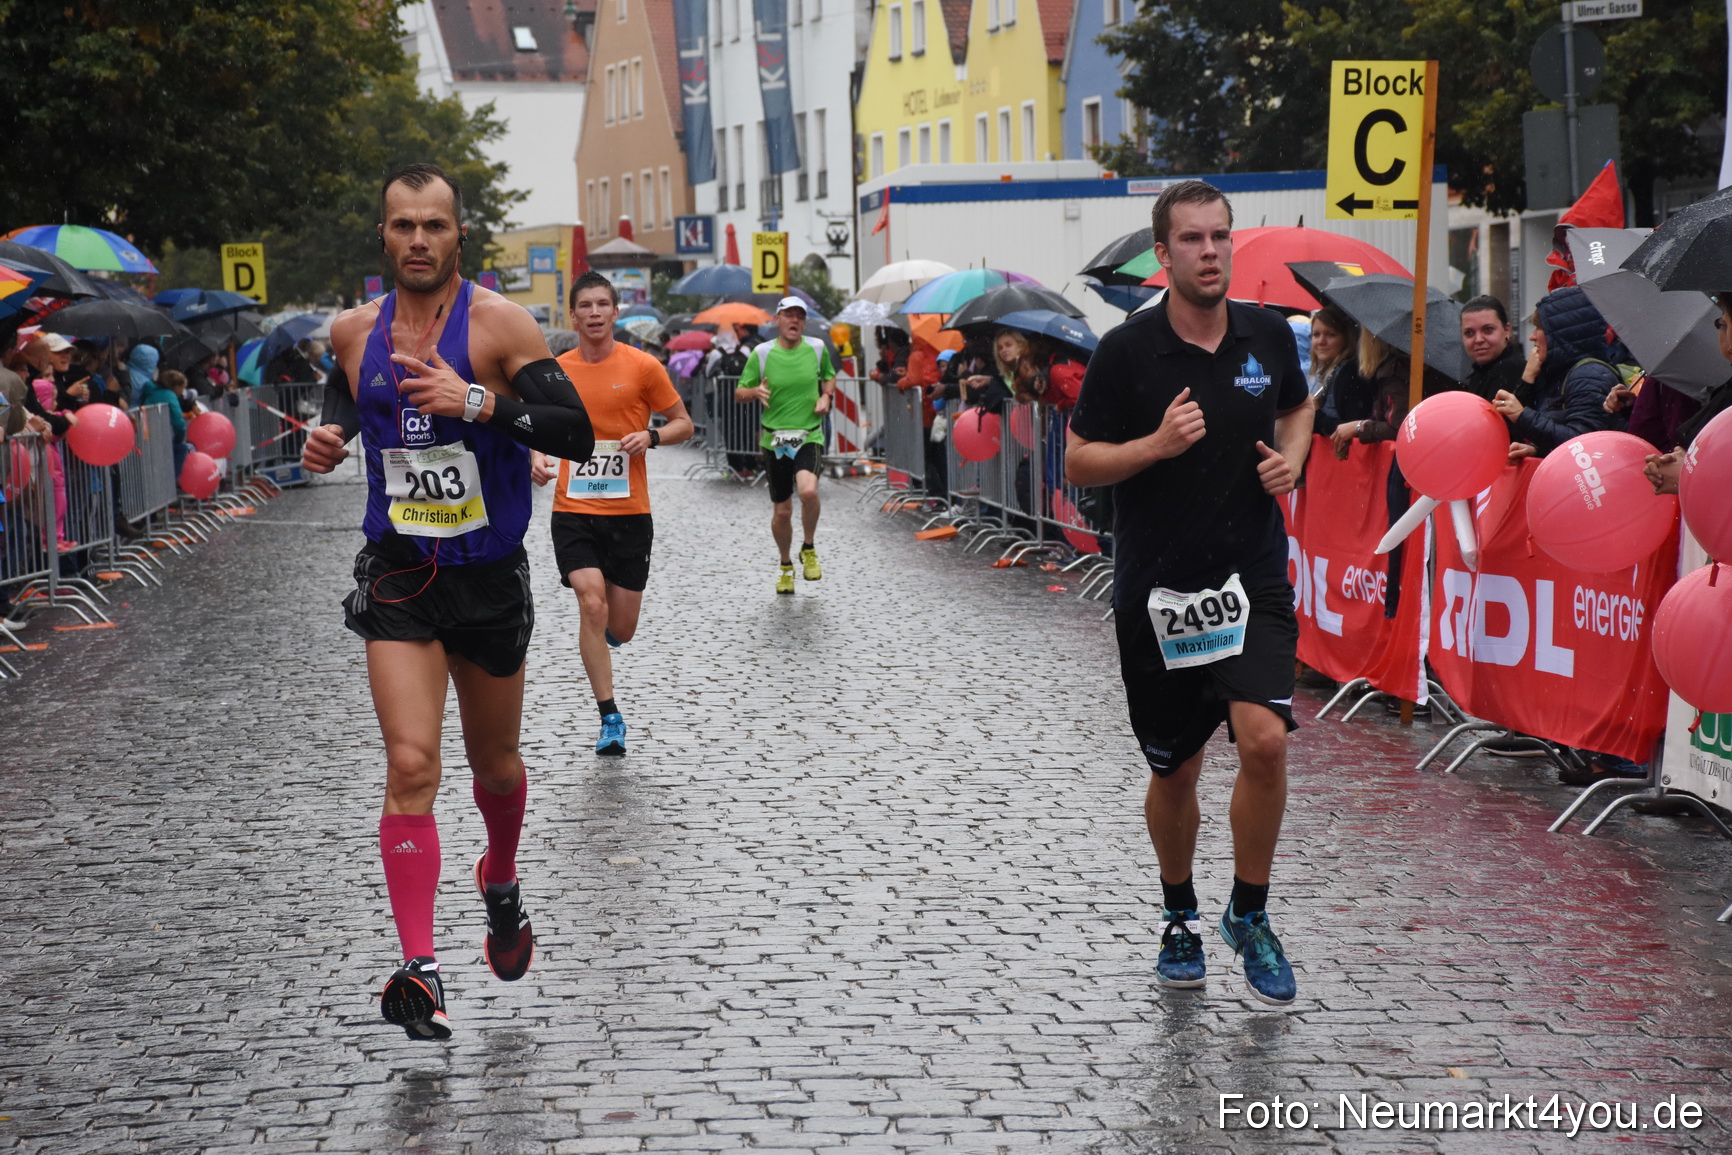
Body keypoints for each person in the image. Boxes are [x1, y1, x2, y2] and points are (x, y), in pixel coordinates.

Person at [299, 162, 595, 1041]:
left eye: (435, 225)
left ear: (459, 235)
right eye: (403, 226)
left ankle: (498, 877)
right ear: (383, 237)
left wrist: (477, 400)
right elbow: (346, 410)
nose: (419, 240)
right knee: (411, 763)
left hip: (487, 576)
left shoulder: (501, 323)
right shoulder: (353, 333)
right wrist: (327, 438)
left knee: (494, 767)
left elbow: (576, 431)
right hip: (396, 574)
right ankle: (419, 969)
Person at [1065, 179, 1313, 1006]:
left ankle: (1250, 911)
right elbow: (1079, 461)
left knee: (1265, 740)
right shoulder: (1126, 352)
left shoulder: (1268, 334)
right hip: (1162, 592)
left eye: (1221, 236)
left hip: (1253, 578)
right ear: (1163, 254)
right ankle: (1180, 913)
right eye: (1194, 239)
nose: (1211, 251)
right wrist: (1155, 445)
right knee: (1176, 770)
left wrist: (1293, 462)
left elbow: (1299, 407)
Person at [530, 271, 693, 757]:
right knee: (591, 602)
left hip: (629, 512)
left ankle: (606, 640)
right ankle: (610, 717)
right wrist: (535, 455)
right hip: (574, 508)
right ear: (574, 315)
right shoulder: (556, 370)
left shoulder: (643, 366)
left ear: (616, 312)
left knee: (620, 627)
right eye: (587, 306)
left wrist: (653, 436)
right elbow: (533, 425)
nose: (596, 313)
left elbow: (683, 422)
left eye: (604, 304)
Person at [734, 297, 837, 594]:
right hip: (774, 439)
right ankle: (785, 565)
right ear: (777, 320)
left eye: (800, 317)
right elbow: (739, 392)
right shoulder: (761, 353)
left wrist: (826, 396)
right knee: (782, 512)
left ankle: (809, 547)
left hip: (809, 434)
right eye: (789, 315)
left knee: (808, 490)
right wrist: (754, 391)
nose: (795, 321)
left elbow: (829, 377)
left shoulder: (817, 349)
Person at [1493, 285, 1621, 460]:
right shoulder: (1560, 372)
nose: (1532, 336)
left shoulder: (1590, 376)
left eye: (1539, 328)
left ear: (1561, 333)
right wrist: (1538, 451)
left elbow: (1584, 447)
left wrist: (1523, 416)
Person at [1458, 295, 1524, 401]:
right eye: (1469, 333)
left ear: (1506, 330)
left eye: (1488, 329)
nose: (1478, 339)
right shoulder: (1482, 371)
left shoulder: (1508, 370)